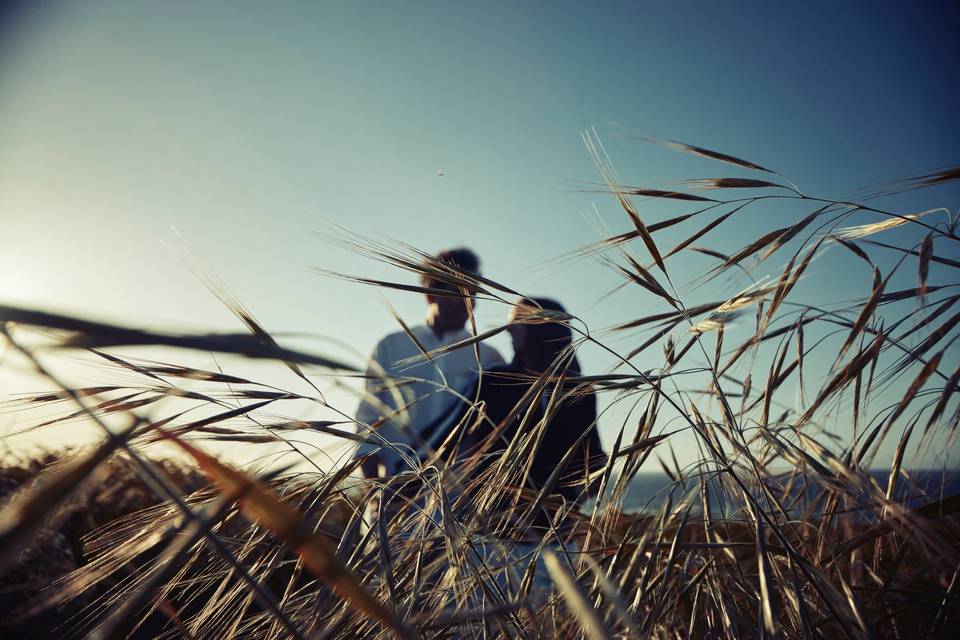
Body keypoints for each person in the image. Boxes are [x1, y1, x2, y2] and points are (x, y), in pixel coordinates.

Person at [353, 247, 504, 480]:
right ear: (430, 293)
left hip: (461, 501)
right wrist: (373, 487)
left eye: (472, 293)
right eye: (457, 292)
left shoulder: (489, 358)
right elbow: (368, 416)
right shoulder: (391, 347)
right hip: (395, 493)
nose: (466, 302)